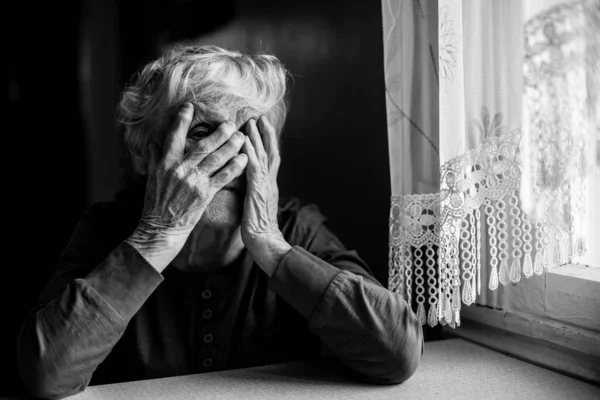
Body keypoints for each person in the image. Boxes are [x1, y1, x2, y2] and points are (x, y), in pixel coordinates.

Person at [17, 45, 423, 399]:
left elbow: (397, 354)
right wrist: (157, 235)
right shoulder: (107, 227)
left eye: (250, 134)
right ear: (144, 154)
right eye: (202, 132)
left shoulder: (294, 227)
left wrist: (270, 244)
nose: (229, 159)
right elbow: (48, 374)